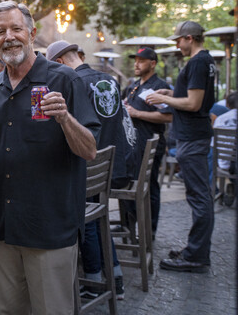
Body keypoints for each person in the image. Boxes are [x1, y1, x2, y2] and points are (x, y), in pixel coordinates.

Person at [0, 2, 100, 314]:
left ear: (32, 33)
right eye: (0, 32)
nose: (9, 37)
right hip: (4, 226)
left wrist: (64, 118)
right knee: (10, 310)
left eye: (16, 29)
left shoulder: (65, 80)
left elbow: (89, 150)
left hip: (49, 226)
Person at [46, 40, 137, 301]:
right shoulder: (108, 79)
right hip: (111, 164)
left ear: (60, 63)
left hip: (88, 165)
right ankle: (115, 276)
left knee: (82, 217)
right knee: (99, 218)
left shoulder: (73, 84)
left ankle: (94, 278)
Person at [147, 20, 215, 273]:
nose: (177, 45)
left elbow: (195, 103)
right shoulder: (206, 61)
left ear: (189, 38)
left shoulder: (197, 62)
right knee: (199, 196)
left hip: (192, 136)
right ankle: (195, 249)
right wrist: (173, 92)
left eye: (178, 40)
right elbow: (193, 96)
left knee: (199, 197)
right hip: (194, 135)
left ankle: (196, 256)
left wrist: (164, 98)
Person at [123, 46, 172, 237]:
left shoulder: (161, 87)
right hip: (132, 144)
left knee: (149, 186)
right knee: (129, 182)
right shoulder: (134, 86)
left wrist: (137, 113)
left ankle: (148, 231)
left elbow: (168, 117)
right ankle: (130, 226)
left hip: (151, 143)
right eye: (135, 60)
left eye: (141, 60)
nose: (136, 64)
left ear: (152, 64)